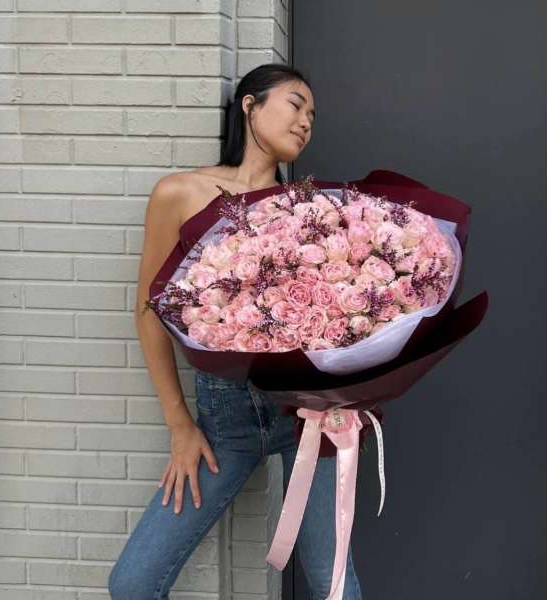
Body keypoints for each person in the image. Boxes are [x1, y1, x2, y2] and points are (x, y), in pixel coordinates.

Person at [107, 63, 363, 599]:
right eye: (296, 105)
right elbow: (149, 311)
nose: (306, 122)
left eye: (313, 116)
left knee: (331, 583)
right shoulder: (180, 192)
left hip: (308, 418)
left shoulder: (308, 209)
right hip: (224, 426)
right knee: (133, 583)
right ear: (250, 105)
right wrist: (180, 426)